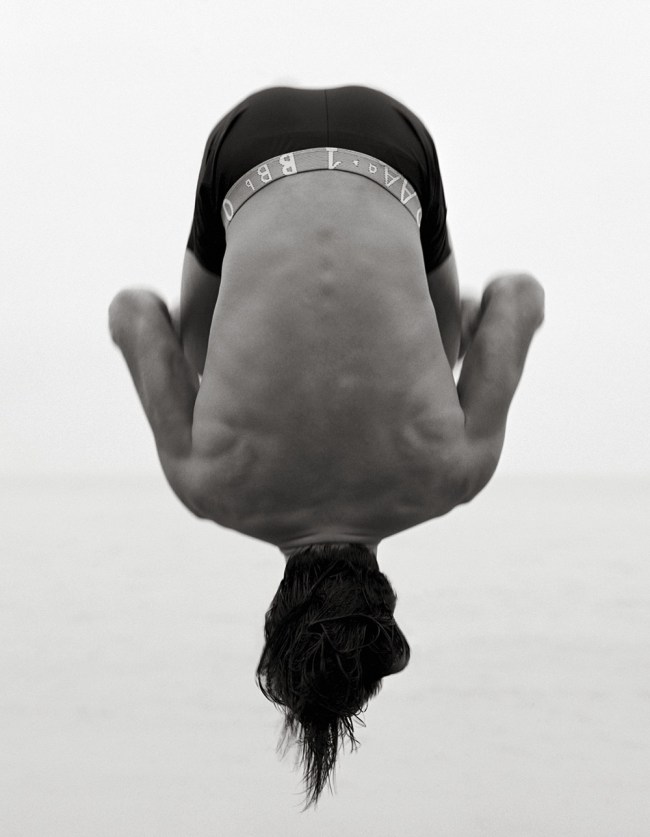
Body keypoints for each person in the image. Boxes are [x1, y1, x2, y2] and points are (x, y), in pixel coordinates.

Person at [108, 85, 545, 809]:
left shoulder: (453, 474)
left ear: (389, 605)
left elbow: (521, 293)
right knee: (195, 353)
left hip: (393, 143)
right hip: (245, 146)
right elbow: (132, 310)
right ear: (275, 611)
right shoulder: (207, 485)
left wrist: (453, 340)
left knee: (444, 346)